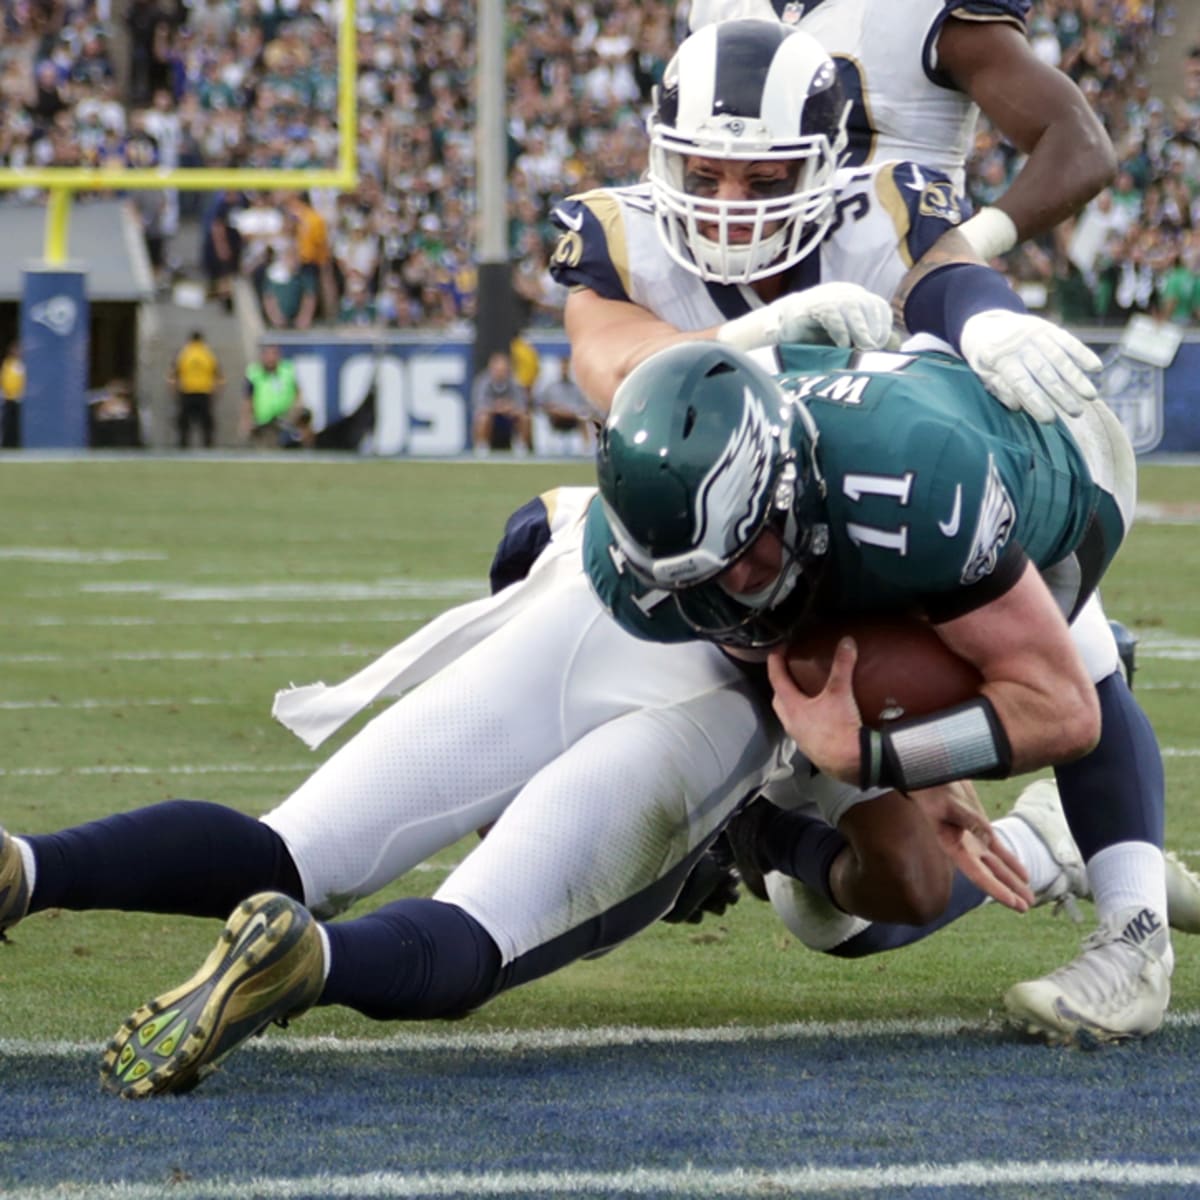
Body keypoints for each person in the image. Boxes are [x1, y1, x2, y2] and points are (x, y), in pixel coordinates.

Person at [540, 20, 1174, 1044]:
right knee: (827, 907)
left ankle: (1132, 927)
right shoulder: (625, 229)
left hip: (897, 469)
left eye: (765, 176)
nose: (731, 205)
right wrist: (757, 333)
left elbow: (951, 263)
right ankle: (775, 828)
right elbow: (607, 364)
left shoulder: (879, 200)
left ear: (825, 162)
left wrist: (980, 304)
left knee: (1075, 653)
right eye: (707, 172)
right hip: (750, 539)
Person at [686, 0, 1116, 261]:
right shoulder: (717, 12)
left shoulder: (930, 15)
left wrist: (968, 245)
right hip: (736, 282)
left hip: (890, 313)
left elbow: (1081, 145)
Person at [242, 343, 308, 449]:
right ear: (262, 356)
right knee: (266, 448)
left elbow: (298, 392)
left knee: (305, 416)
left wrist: (296, 407)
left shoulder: (287, 370)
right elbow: (248, 398)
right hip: (263, 420)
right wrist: (246, 419)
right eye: (267, 354)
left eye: (274, 354)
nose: (270, 358)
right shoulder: (254, 372)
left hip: (285, 417)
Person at [167, 329, 224, 449]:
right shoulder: (208, 354)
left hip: (186, 392)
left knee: (184, 424)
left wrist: (174, 393)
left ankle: (183, 447)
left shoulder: (183, 354)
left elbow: (172, 377)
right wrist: (216, 393)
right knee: (206, 425)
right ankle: (208, 447)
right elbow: (219, 377)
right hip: (204, 393)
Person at [533, 356, 597, 456]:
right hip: (556, 418)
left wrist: (572, 412)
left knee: (584, 419)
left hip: (573, 417)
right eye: (563, 368)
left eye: (567, 368)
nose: (565, 370)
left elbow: (585, 406)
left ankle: (587, 449)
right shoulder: (551, 387)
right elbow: (540, 404)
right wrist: (554, 410)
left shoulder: (577, 387)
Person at [471, 350, 532, 455]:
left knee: (525, 417)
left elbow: (522, 404)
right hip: (491, 417)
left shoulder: (515, 382)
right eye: (497, 370)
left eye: (503, 370)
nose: (500, 373)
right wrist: (496, 407)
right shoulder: (482, 381)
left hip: (510, 417)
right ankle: (482, 446)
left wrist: (509, 408)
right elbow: (479, 405)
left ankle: (521, 446)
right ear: (491, 369)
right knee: (482, 417)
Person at [1, 339, 23, 449]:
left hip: (20, 400)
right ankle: (7, 445)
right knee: (8, 423)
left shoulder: (23, 365)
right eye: (15, 349)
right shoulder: (8, 363)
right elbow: (5, 380)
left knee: (17, 424)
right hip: (9, 399)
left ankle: (16, 444)